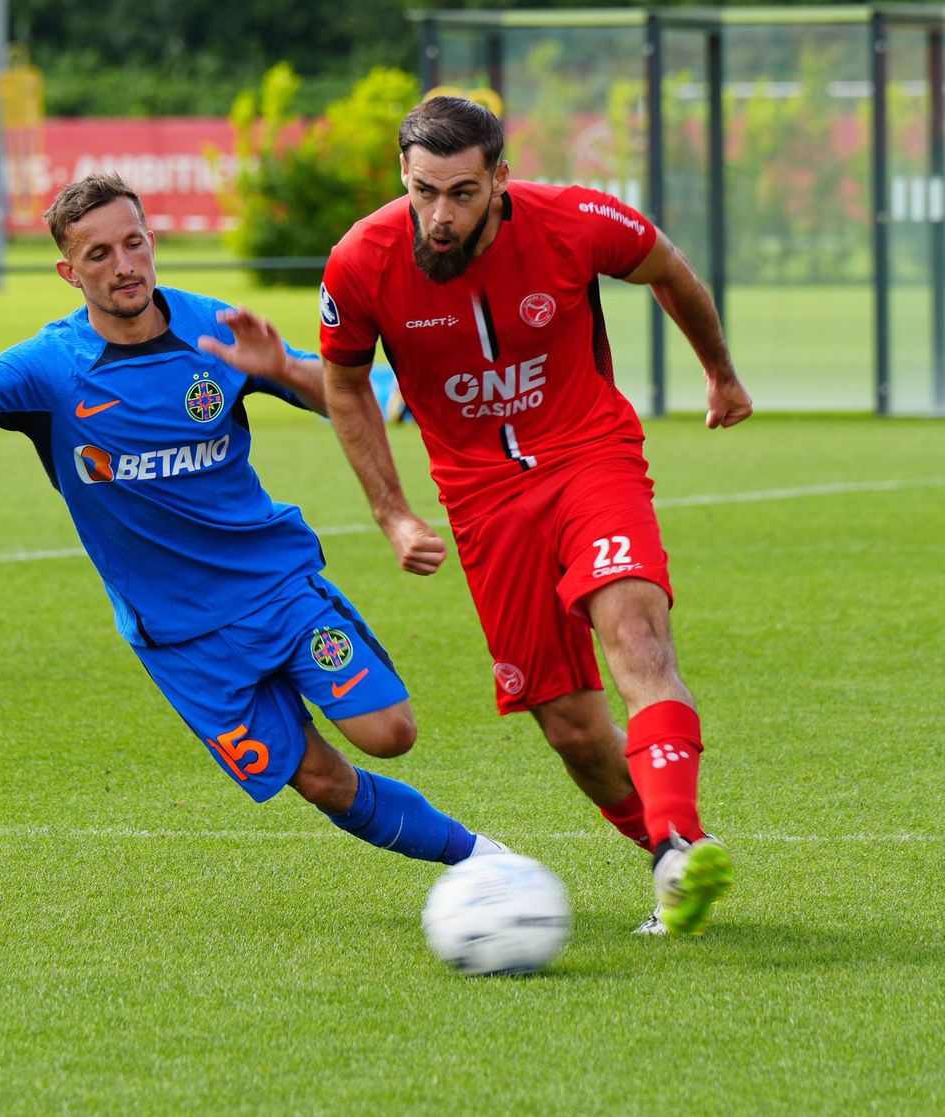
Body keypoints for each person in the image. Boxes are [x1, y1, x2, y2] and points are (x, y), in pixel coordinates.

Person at [0, 171, 506, 871]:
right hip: (181, 634)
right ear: (69, 271)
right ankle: (488, 863)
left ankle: (485, 866)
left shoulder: (211, 329)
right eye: (99, 255)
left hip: (272, 586)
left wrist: (279, 365)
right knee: (321, 780)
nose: (124, 265)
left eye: (133, 243)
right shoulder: (50, 368)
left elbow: (341, 389)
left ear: (152, 241)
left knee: (389, 731)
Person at [318, 96, 754, 936]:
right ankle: (669, 850)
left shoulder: (575, 220)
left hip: (589, 453)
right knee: (572, 724)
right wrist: (393, 512)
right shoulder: (360, 261)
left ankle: (682, 845)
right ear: (401, 177)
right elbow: (343, 380)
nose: (439, 216)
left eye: (463, 193)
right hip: (482, 499)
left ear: (502, 181)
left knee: (637, 635)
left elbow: (668, 268)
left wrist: (720, 374)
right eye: (423, 191)